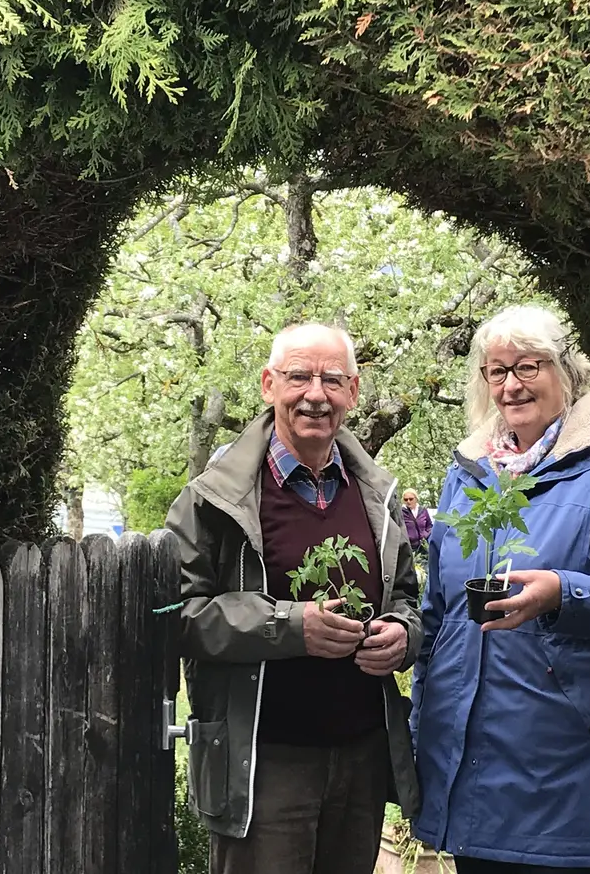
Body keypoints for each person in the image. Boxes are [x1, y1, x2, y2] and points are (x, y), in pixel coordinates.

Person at [165, 322, 424, 874]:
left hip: (359, 759)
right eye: (299, 376)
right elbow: (177, 615)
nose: (315, 393)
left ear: (353, 393)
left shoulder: (376, 495)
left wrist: (402, 637)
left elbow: (405, 598)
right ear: (268, 385)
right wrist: (286, 627)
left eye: (333, 379)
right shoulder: (215, 499)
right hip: (263, 763)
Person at [408, 305, 590, 873]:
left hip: (564, 761)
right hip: (468, 761)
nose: (511, 385)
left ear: (564, 372)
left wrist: (562, 594)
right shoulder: (468, 473)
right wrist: (424, 710)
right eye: (497, 371)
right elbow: (439, 612)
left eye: (528, 366)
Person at [401, 489, 433, 557]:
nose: (408, 501)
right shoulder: (401, 513)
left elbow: (429, 525)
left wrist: (426, 534)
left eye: (411, 499)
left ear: (416, 499)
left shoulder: (423, 510)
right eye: (406, 499)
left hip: (423, 546)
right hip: (409, 548)